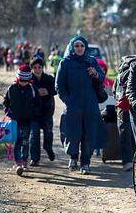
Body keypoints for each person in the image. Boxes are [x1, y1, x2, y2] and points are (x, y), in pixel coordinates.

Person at [55, 36, 105, 174]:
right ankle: (73, 157)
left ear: (85, 47)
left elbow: (102, 77)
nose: (79, 48)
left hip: (90, 104)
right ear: (72, 47)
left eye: (82, 46)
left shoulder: (91, 61)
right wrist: (68, 101)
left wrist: (95, 74)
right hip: (73, 105)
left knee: (89, 133)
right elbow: (59, 85)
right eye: (76, 46)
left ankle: (85, 163)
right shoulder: (65, 63)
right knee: (72, 133)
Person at [3, 64, 40, 174]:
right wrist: (8, 112)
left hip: (27, 120)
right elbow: (6, 103)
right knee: (17, 141)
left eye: (26, 81)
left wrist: (34, 113)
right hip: (15, 121)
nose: (24, 83)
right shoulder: (11, 89)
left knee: (25, 141)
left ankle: (24, 162)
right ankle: (18, 163)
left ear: (29, 80)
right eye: (22, 80)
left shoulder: (32, 89)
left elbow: (38, 103)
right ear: (18, 78)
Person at [29, 58, 57, 166]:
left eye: (39, 67)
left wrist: (48, 91)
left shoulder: (49, 78)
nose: (37, 70)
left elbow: (56, 89)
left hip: (47, 111)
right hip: (34, 113)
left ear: (42, 67)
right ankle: (35, 159)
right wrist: (36, 93)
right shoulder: (29, 79)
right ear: (32, 69)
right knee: (34, 136)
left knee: (48, 134)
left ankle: (48, 148)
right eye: (35, 68)